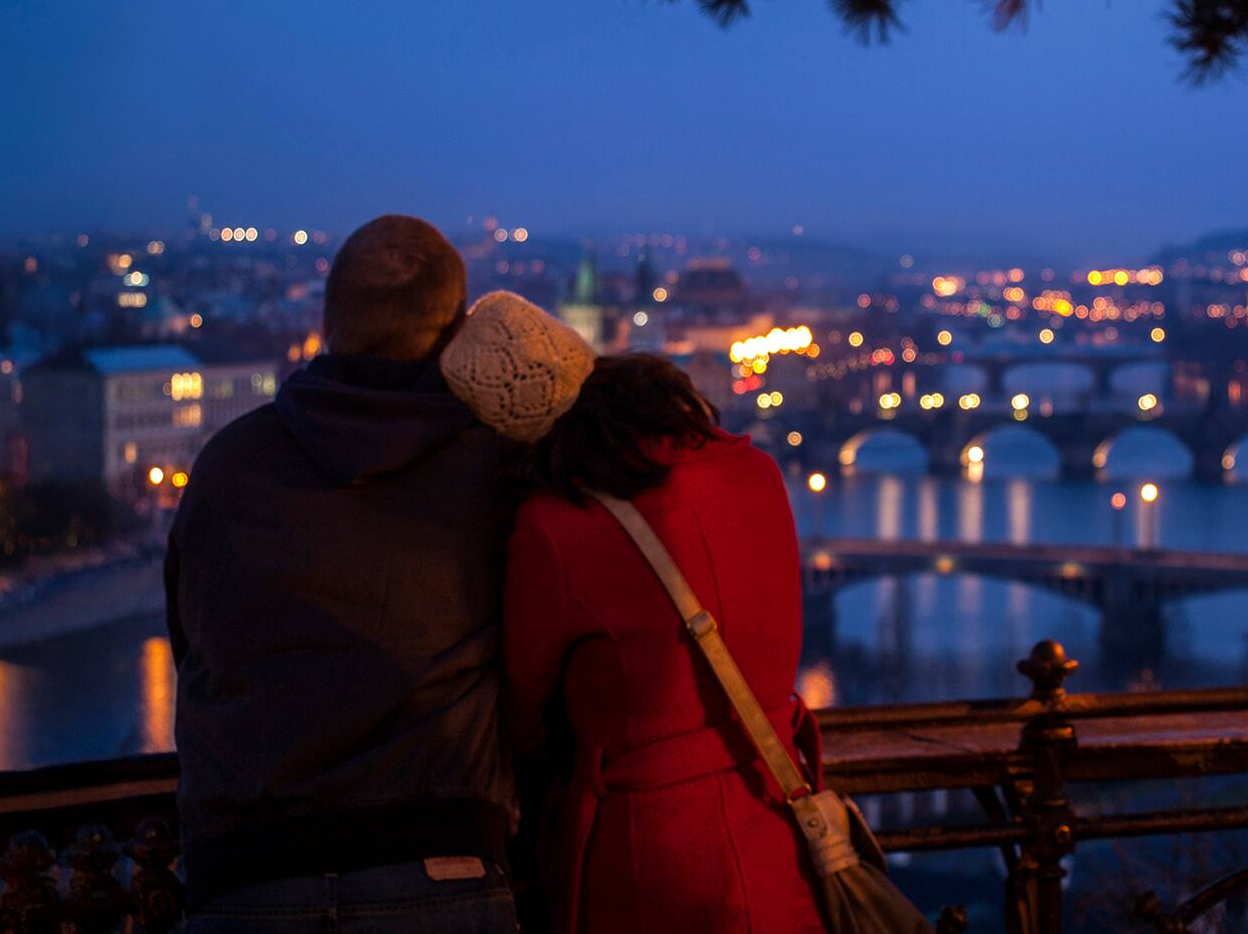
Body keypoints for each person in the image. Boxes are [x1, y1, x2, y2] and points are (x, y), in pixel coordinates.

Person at [168, 215, 519, 932]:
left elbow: (192, 641)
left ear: (328, 322)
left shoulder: (230, 464)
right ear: (454, 333)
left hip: (248, 874)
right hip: (442, 865)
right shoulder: (493, 468)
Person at [440, 293, 826, 934]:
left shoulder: (555, 531)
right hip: (774, 814)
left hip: (649, 851)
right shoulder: (755, 471)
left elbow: (525, 718)